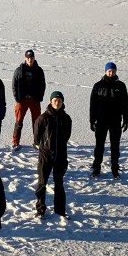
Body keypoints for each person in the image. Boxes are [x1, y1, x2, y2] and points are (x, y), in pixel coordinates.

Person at [34, 90, 72, 219]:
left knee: (59, 183)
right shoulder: (43, 118)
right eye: (55, 100)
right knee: (42, 183)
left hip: (60, 155)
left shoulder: (66, 118)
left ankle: (60, 210)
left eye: (59, 100)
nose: (57, 102)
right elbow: (37, 137)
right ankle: (40, 210)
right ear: (51, 101)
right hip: (45, 156)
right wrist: (45, 147)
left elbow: (67, 135)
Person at [89, 61, 128, 178]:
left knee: (115, 147)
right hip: (101, 121)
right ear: (106, 71)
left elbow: (125, 104)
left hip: (115, 121)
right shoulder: (98, 86)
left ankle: (115, 169)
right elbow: (93, 105)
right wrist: (92, 120)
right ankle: (96, 168)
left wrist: (126, 119)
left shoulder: (121, 86)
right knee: (99, 146)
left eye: (113, 71)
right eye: (109, 71)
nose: (111, 73)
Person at [11, 49, 46, 149]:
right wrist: (17, 98)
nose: (30, 60)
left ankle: (37, 142)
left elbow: (43, 85)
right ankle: (15, 142)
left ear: (34, 58)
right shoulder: (19, 70)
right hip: (22, 100)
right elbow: (14, 84)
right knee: (19, 121)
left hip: (34, 100)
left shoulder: (39, 70)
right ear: (25, 58)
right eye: (28, 58)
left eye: (31, 58)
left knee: (36, 122)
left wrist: (40, 97)